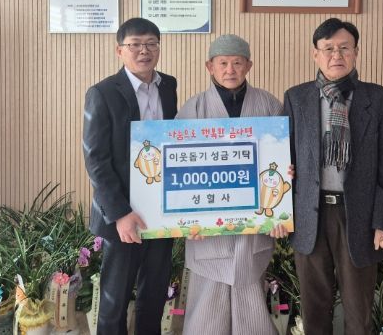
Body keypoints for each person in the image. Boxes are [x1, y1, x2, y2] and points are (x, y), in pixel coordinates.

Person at [283, 18, 383, 335]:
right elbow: (284, 158)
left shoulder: (382, 101)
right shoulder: (296, 98)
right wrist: (282, 194)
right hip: (310, 215)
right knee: (314, 309)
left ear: (356, 52)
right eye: (328, 48)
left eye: (344, 48)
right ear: (315, 54)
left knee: (358, 310)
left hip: (359, 217)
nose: (336, 55)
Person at [177, 34, 289, 335]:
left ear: (248, 66)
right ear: (209, 67)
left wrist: (283, 205)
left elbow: (285, 159)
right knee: (207, 308)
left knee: (251, 301)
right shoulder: (194, 108)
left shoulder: (268, 104)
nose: (230, 70)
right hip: (207, 230)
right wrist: (184, 220)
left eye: (237, 63)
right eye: (223, 63)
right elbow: (177, 169)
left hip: (254, 228)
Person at [82, 17, 178, 335]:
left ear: (159, 48)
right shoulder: (102, 93)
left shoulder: (169, 87)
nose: (143, 51)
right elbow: (96, 160)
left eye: (151, 44)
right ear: (119, 50)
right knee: (115, 299)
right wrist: (120, 213)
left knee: (154, 295)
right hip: (121, 213)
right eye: (135, 45)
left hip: (159, 211)